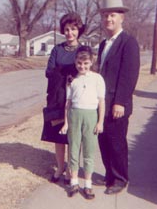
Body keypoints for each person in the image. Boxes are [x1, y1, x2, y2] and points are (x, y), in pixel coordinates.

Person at [97, 0, 140, 195]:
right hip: (102, 105)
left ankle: (121, 179)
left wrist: (120, 102)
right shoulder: (104, 44)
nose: (108, 19)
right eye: (105, 15)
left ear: (121, 17)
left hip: (117, 104)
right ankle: (110, 175)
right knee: (104, 141)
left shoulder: (128, 43)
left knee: (116, 143)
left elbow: (129, 75)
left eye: (112, 15)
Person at [41, 12, 85, 185]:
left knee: (74, 137)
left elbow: (85, 73)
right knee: (59, 136)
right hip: (57, 98)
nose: (69, 33)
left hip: (77, 100)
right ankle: (60, 167)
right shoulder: (57, 49)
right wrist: (68, 72)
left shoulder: (83, 51)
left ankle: (71, 169)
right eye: (66, 29)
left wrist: (65, 72)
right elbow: (49, 72)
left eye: (73, 29)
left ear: (78, 30)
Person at [60, 46, 105, 199]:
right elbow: (68, 103)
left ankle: (88, 184)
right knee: (73, 149)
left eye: (86, 63)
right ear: (75, 62)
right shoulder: (72, 79)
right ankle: (73, 182)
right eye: (79, 63)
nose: (82, 66)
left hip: (91, 116)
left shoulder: (97, 78)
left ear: (91, 62)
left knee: (89, 151)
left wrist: (100, 122)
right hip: (75, 116)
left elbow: (101, 102)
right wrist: (66, 123)